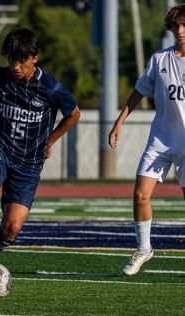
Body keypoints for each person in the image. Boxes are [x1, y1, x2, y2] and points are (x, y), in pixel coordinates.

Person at [0, 27, 80, 295]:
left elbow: (74, 114)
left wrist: (50, 141)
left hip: (29, 164)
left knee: (11, 229)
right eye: (11, 59)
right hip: (1, 148)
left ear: (35, 58)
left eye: (21, 60)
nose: (16, 66)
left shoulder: (51, 87)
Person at [109, 4, 185, 276]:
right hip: (160, 140)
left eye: (184, 26)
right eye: (176, 26)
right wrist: (118, 123)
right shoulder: (159, 60)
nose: (180, 31)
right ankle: (144, 249)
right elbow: (139, 92)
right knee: (140, 194)